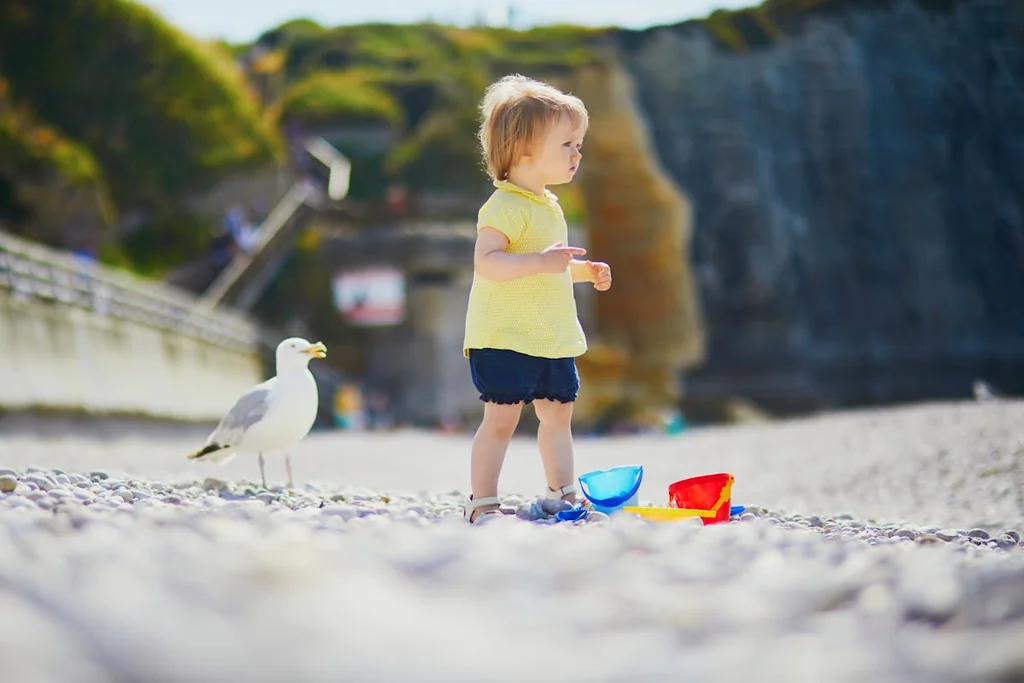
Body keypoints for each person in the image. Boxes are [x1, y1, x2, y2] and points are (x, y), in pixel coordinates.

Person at [462, 74, 613, 524]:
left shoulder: (549, 205)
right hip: (505, 335)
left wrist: (584, 272)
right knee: (501, 421)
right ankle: (481, 501)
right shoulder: (503, 206)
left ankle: (562, 491)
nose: (577, 153)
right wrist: (541, 264)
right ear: (526, 149)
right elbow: (487, 262)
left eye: (578, 143)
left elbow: (551, 266)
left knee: (558, 415)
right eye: (567, 143)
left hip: (550, 335)